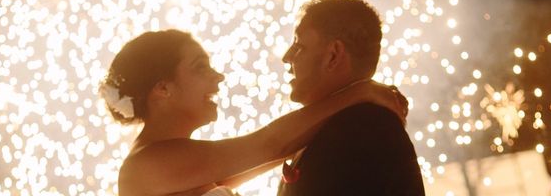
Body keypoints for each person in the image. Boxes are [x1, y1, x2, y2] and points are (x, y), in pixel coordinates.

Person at [100, 28, 408, 196]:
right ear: (162, 88)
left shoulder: (178, 167)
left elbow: (277, 150)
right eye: (201, 67)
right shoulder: (148, 165)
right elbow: (269, 144)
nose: (218, 77)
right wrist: (361, 92)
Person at [277, 0, 425, 196]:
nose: (286, 57)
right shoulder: (341, 125)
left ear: (333, 55)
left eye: (299, 46)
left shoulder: (362, 133)